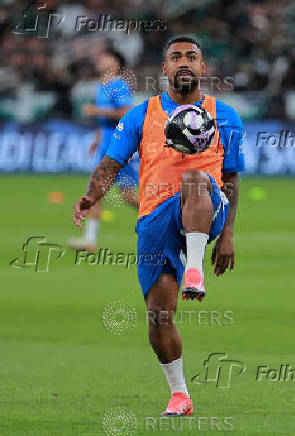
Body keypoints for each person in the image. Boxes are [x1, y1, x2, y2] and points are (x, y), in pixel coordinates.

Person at [72, 36, 244, 416]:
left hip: (206, 205)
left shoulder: (225, 115)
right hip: (154, 218)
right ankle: (180, 394)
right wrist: (90, 196)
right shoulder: (141, 115)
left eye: (192, 57)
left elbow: (230, 178)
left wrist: (228, 235)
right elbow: (111, 163)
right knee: (158, 316)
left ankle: (194, 271)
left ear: (203, 67)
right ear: (164, 69)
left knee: (195, 181)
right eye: (175, 57)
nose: (184, 62)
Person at [69, 48, 139, 252]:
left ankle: (165, 221)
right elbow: (106, 122)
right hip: (107, 142)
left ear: (116, 64)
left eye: (105, 57)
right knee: (98, 191)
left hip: (120, 144)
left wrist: (95, 110)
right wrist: (97, 139)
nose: (100, 60)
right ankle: (89, 240)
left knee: (126, 196)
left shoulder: (118, 85)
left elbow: (126, 113)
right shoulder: (102, 86)